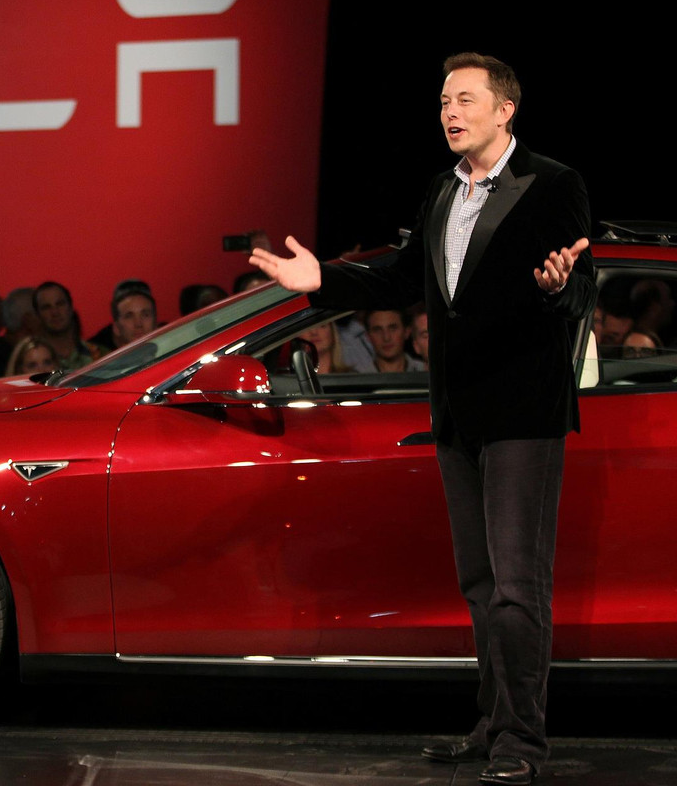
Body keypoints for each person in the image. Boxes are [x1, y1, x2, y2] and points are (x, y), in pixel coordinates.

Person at [249, 53, 594, 785]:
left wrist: (557, 285)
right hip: (456, 412)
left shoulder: (552, 182)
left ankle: (522, 740)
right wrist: (321, 280)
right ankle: (491, 723)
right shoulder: (443, 188)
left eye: (464, 99)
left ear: (505, 109)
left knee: (517, 586)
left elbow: (576, 283)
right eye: (443, 101)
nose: (449, 112)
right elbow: (402, 280)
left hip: (522, 413)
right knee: (479, 583)